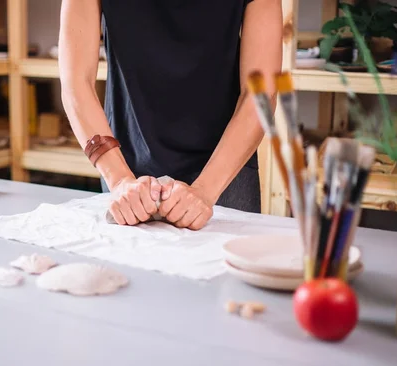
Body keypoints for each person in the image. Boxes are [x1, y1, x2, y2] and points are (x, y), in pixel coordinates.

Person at [59, 0, 282, 230]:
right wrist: (120, 180)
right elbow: (76, 83)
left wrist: (205, 191)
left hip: (224, 173)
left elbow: (260, 95)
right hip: (126, 171)